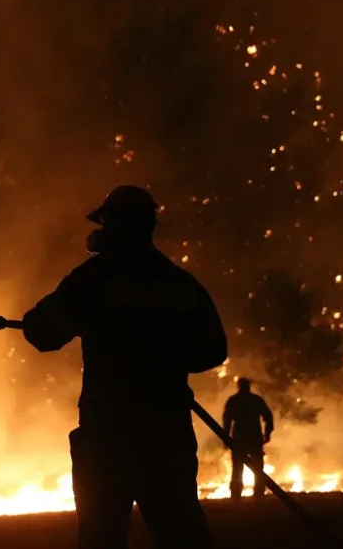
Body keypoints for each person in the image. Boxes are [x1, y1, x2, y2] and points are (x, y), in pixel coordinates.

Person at [21, 185, 228, 549]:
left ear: (113, 225)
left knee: (102, 538)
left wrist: (37, 322)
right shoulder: (178, 283)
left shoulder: (94, 279)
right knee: (182, 536)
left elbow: (43, 333)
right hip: (167, 434)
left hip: (107, 435)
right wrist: (166, 360)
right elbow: (213, 351)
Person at [223, 377, 275, 499]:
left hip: (240, 438)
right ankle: (258, 493)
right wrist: (267, 434)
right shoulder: (255, 400)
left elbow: (227, 421)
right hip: (253, 437)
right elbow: (268, 417)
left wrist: (226, 438)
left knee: (238, 467)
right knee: (256, 466)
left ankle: (237, 495)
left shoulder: (234, 401)